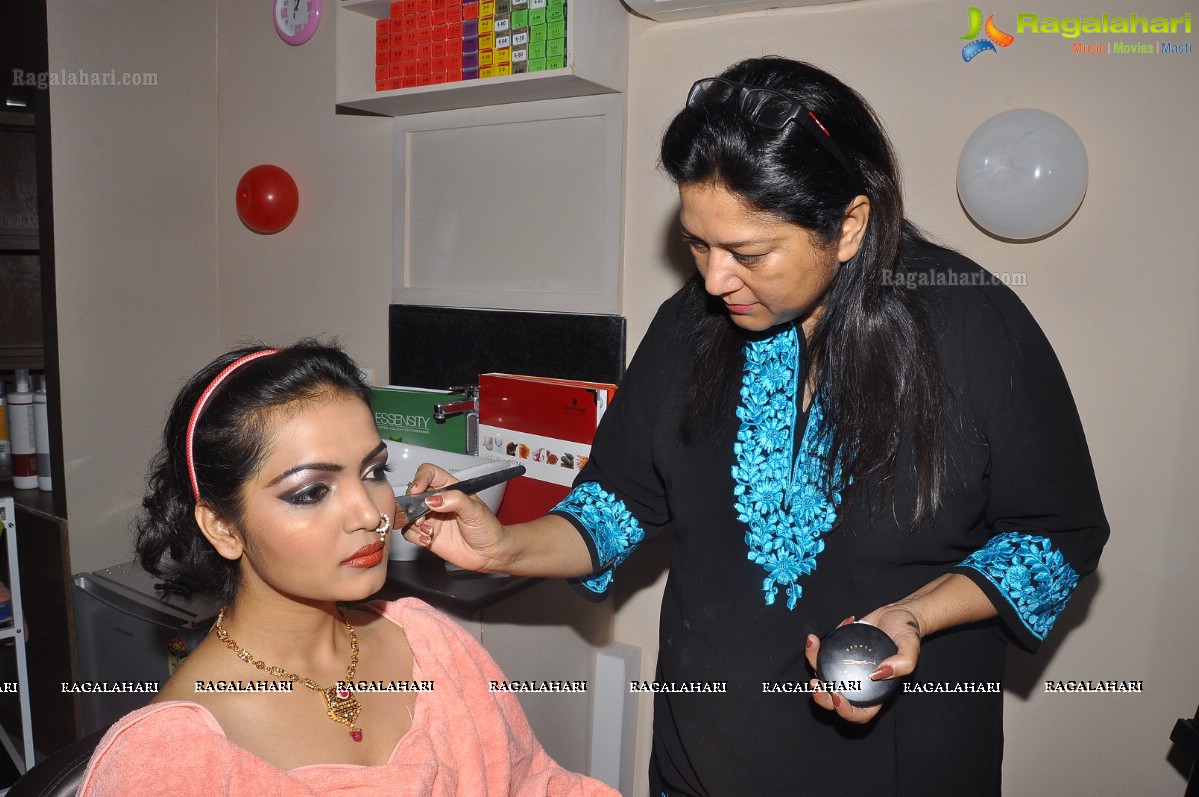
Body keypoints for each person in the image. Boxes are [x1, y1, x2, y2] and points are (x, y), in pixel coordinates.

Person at [402, 57, 1109, 795]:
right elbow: (615, 507)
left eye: (748, 252)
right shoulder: (691, 325)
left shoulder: (973, 327)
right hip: (698, 764)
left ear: (847, 225)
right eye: (696, 243)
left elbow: (1055, 533)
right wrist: (502, 546)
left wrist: (912, 615)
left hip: (901, 767)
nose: (711, 280)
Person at [79, 340, 616, 797]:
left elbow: (536, 785)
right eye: (312, 491)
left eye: (375, 471)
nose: (371, 513)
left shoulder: (431, 647)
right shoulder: (169, 765)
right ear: (223, 527)